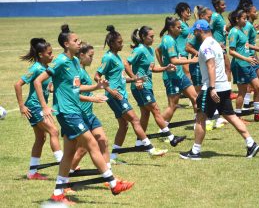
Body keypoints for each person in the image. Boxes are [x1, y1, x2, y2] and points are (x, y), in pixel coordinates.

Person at [34, 24, 133, 205]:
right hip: (68, 113)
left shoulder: (73, 63)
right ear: (66, 44)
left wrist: (96, 87)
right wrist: (44, 106)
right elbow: (38, 81)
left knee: (69, 154)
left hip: (75, 111)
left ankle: (58, 194)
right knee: (92, 144)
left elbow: (76, 88)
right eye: (75, 41)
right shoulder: (62, 61)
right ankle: (112, 183)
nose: (79, 43)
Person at [179, 20, 259, 160]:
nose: (193, 33)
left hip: (212, 87)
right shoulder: (216, 43)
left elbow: (211, 66)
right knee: (231, 116)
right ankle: (251, 143)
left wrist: (211, 88)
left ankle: (195, 151)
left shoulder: (205, 46)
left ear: (200, 31)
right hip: (223, 86)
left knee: (200, 118)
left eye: (195, 31)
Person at [95, 25, 168, 164]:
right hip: (115, 96)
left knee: (124, 125)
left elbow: (119, 78)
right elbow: (97, 76)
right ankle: (150, 149)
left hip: (121, 94)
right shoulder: (108, 58)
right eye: (119, 42)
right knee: (134, 119)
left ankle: (112, 158)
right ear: (111, 44)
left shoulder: (116, 57)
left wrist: (134, 79)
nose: (122, 44)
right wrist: (110, 90)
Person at [124, 26, 186, 147]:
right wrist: (135, 79)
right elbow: (126, 63)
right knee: (156, 110)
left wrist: (165, 67)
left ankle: (139, 143)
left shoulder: (150, 50)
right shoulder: (139, 50)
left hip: (148, 86)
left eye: (153, 36)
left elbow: (152, 68)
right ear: (143, 37)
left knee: (145, 115)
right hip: (141, 87)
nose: (153, 39)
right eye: (150, 36)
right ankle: (171, 138)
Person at [14, 38, 63, 180]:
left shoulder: (47, 69)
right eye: (49, 53)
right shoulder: (36, 68)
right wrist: (21, 105)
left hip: (37, 107)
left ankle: (32, 172)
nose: (52, 55)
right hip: (33, 107)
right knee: (54, 131)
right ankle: (64, 164)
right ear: (41, 55)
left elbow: (47, 86)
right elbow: (18, 85)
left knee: (41, 138)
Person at [70, 42, 111, 174]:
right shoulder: (77, 72)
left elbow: (86, 90)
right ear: (81, 55)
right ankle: (67, 174)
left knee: (103, 140)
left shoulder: (83, 70)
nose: (92, 59)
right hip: (80, 114)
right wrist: (92, 98)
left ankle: (109, 175)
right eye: (90, 56)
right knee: (82, 148)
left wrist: (95, 94)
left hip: (89, 114)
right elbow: (74, 93)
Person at [187, 6, 227, 130]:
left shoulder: (208, 32)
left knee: (207, 95)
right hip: (199, 67)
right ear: (202, 16)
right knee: (200, 94)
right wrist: (199, 54)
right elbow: (187, 47)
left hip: (206, 66)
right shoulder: (198, 33)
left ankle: (213, 117)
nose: (211, 19)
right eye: (209, 17)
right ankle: (203, 120)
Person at [227, 10, 259, 121]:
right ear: (237, 19)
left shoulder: (241, 30)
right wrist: (246, 58)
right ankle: (238, 117)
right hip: (240, 65)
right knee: (242, 92)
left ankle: (257, 114)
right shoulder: (234, 32)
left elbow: (246, 45)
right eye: (244, 18)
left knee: (258, 87)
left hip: (247, 64)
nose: (246, 20)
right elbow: (231, 51)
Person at [155, 17, 198, 126]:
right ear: (171, 28)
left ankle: (198, 123)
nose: (181, 30)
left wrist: (163, 65)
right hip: (171, 78)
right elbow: (173, 60)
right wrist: (191, 60)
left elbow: (158, 50)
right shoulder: (169, 41)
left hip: (180, 75)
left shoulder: (168, 38)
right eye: (179, 27)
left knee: (195, 98)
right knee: (173, 106)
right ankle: (163, 130)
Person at [210, 0, 237, 100]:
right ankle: (227, 92)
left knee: (226, 68)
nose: (225, 6)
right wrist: (216, 43)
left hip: (222, 47)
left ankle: (226, 91)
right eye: (222, 5)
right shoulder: (215, 16)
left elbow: (222, 31)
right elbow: (209, 31)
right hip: (218, 47)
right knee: (227, 67)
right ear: (217, 6)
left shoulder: (220, 16)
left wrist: (230, 26)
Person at [174, 2, 192, 78]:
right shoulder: (179, 24)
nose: (189, 14)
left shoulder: (186, 24)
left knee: (185, 77)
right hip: (180, 54)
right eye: (188, 12)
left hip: (185, 54)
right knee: (188, 77)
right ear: (182, 13)